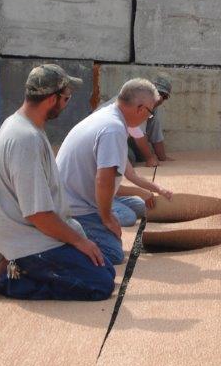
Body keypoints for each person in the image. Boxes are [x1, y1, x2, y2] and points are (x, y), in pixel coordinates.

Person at [0, 64, 114, 301]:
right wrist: (79, 241)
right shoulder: (25, 140)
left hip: (35, 235)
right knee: (100, 285)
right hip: (30, 242)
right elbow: (38, 215)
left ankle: (13, 264)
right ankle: (7, 278)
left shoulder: (22, 125)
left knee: (106, 268)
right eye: (66, 98)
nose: (66, 104)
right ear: (51, 99)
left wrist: (80, 241)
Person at [57, 78, 173, 265]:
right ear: (141, 109)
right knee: (113, 254)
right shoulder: (113, 129)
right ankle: (60, 241)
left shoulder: (111, 118)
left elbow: (128, 174)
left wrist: (157, 189)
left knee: (139, 206)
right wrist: (107, 218)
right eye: (150, 114)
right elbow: (104, 181)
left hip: (85, 197)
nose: (148, 118)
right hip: (76, 208)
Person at [128, 75, 174, 167]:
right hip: (102, 137)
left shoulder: (152, 108)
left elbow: (155, 134)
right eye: (157, 93)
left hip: (117, 137)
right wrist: (150, 158)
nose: (160, 99)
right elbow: (138, 134)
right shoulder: (137, 102)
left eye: (163, 96)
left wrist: (162, 157)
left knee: (141, 155)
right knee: (129, 158)